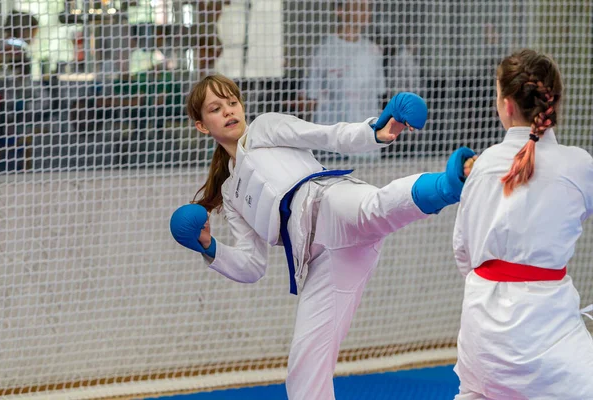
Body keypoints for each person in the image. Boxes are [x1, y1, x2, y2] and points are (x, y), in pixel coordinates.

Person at [170, 74, 475, 400]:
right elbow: (252, 266)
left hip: (328, 203)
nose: (229, 111)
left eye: (232, 102)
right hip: (321, 259)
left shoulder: (265, 127)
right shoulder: (231, 193)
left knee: (376, 208)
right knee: (304, 365)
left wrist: (376, 131)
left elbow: (328, 135)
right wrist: (209, 246)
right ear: (202, 126)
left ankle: (453, 181)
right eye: (216, 108)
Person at [452, 49, 593, 399]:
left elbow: (463, 253)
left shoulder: (483, 165)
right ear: (554, 102)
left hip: (480, 331)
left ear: (506, 105)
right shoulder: (578, 166)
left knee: (478, 390)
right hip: (546, 333)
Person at [299, 0, 385, 162]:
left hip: (366, 146)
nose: (366, 12)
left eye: (368, 8)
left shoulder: (373, 51)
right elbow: (310, 98)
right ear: (340, 10)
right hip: (332, 148)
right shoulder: (324, 51)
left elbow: (380, 96)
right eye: (358, 7)